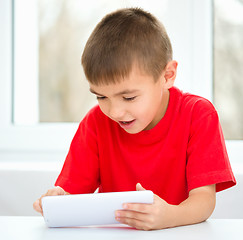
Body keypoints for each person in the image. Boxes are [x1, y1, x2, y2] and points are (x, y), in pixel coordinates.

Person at [33, 7, 236, 230]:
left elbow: (204, 201)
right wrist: (59, 200)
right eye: (101, 96)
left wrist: (169, 216)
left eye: (128, 97)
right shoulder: (95, 122)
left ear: (167, 76)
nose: (114, 112)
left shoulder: (198, 115)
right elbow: (72, 194)